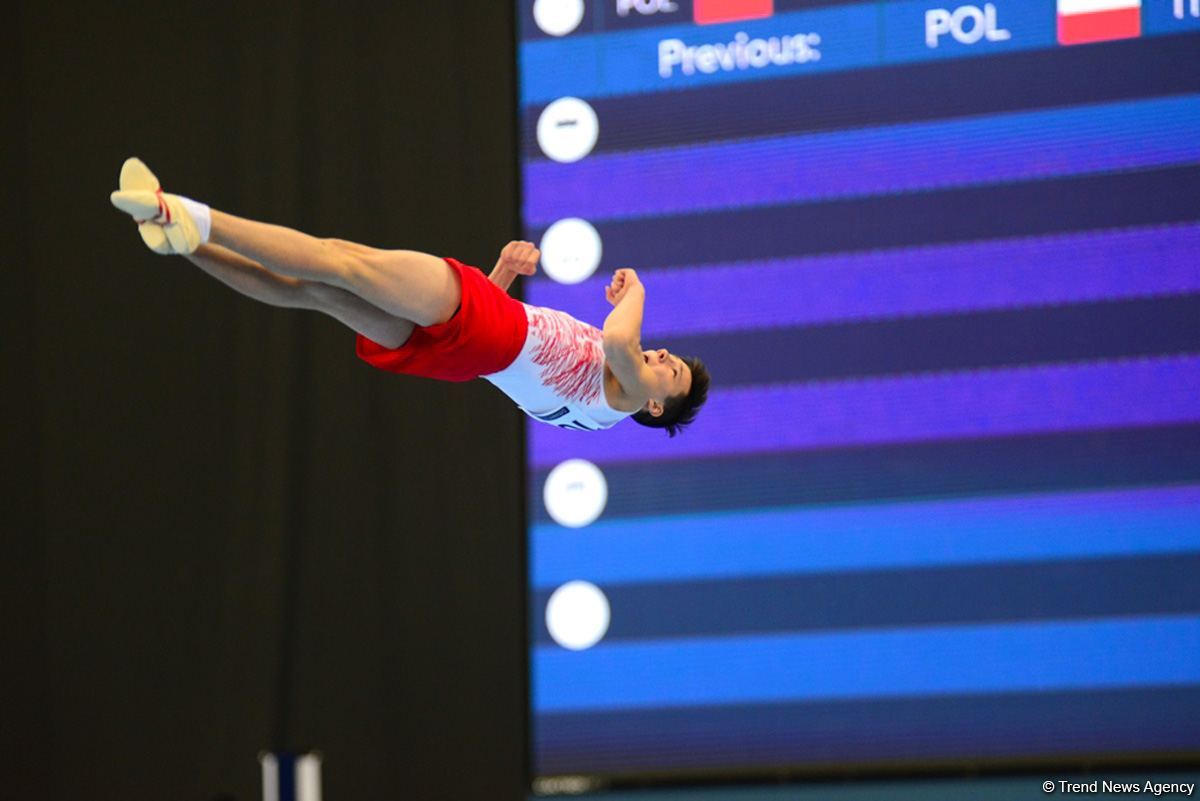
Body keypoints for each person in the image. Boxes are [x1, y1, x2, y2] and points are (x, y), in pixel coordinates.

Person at [110, 158, 709, 434]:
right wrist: (499, 272)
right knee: (313, 291)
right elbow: (506, 358)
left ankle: (179, 210)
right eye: (668, 356)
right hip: (473, 352)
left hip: (490, 335)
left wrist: (638, 290)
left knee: (341, 260)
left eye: (672, 371)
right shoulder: (603, 394)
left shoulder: (628, 396)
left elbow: (618, 335)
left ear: (657, 406)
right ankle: (182, 244)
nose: (660, 358)